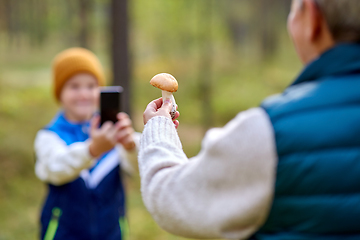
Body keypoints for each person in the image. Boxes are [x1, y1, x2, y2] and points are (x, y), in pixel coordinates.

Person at [139, 0, 360, 239]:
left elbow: (172, 197)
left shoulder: (271, 131)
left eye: (294, 10)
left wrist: (158, 126)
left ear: (312, 18)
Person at [34, 47, 139, 240]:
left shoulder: (112, 131)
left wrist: (130, 145)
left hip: (111, 234)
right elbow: (54, 169)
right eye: (74, 86)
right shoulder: (49, 136)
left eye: (91, 86)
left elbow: (140, 168)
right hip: (62, 235)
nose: (84, 94)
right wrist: (92, 151)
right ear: (60, 92)